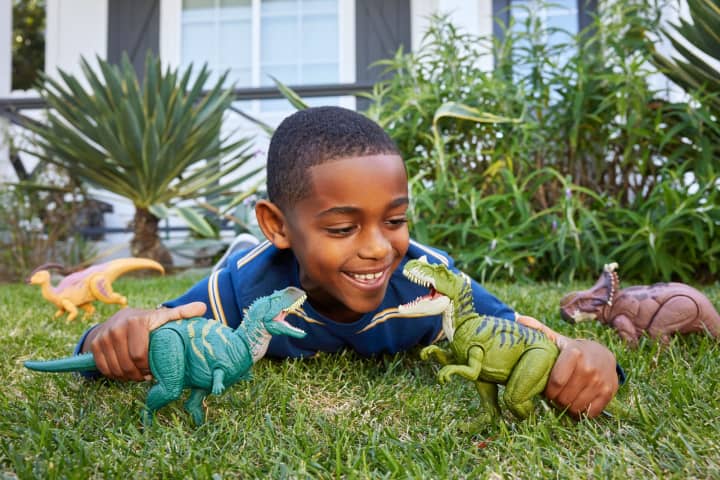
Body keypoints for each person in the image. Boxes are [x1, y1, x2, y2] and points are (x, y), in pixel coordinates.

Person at [76, 106, 620, 418]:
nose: (379, 247)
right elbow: (137, 338)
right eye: (342, 228)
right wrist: (113, 334)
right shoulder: (240, 290)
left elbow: (530, 338)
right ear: (277, 225)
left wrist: (591, 358)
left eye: (395, 219)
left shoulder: (428, 282)